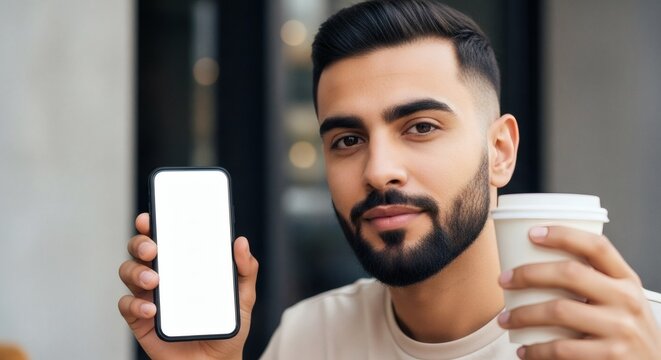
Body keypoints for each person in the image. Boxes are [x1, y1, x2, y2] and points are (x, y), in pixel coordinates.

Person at [118, 1, 661, 359]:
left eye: (420, 127)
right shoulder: (310, 338)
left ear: (500, 152)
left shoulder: (629, 336)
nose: (378, 171)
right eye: (347, 141)